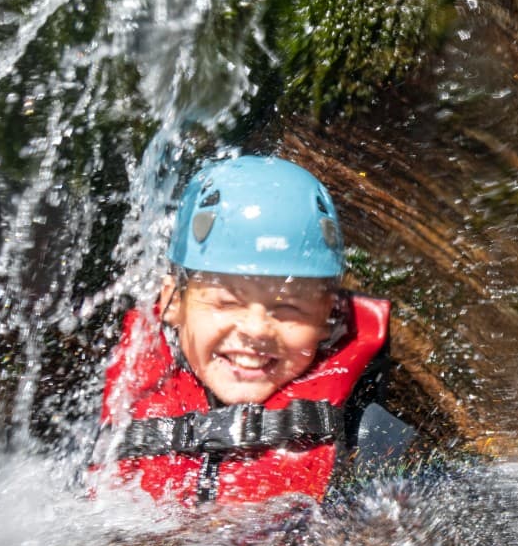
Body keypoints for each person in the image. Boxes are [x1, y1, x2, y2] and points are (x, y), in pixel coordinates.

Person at [94, 154, 416, 506]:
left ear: (328, 316)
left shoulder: (368, 439)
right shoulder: (127, 408)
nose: (256, 330)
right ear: (173, 302)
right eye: (227, 303)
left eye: (288, 309)